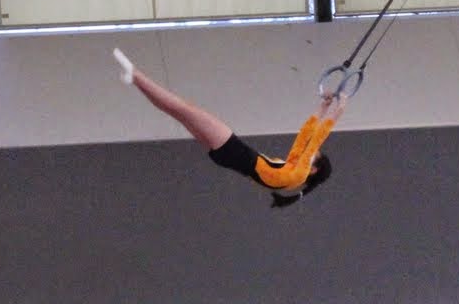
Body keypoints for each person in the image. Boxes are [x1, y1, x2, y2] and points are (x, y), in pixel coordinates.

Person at [115, 50, 337, 207]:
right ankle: (135, 79)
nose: (311, 151)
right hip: (230, 156)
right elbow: (305, 136)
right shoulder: (292, 171)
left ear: (313, 170)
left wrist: (339, 109)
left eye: (314, 156)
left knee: (183, 109)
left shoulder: (298, 175)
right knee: (179, 112)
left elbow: (315, 139)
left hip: (234, 152)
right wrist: (323, 108)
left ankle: (135, 75)